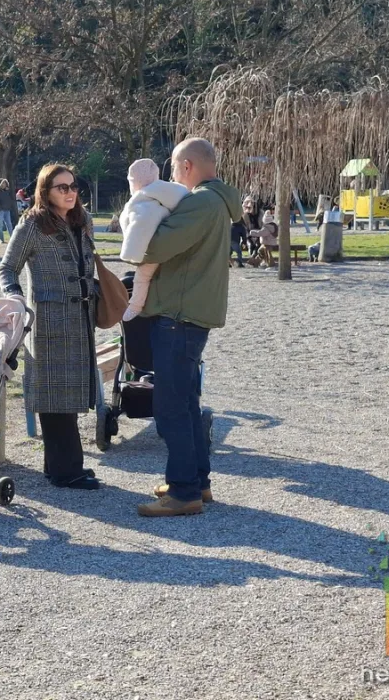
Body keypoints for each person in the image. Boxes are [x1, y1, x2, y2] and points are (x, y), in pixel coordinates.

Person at [136, 137, 241, 517]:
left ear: (187, 167)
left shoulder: (200, 203)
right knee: (187, 402)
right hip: (193, 314)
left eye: (174, 168)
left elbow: (154, 246)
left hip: (178, 317)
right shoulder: (219, 203)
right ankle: (198, 480)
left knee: (170, 407)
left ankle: (183, 492)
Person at [0, 164, 99, 490]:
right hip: (49, 321)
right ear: (45, 191)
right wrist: (16, 301)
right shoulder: (31, 225)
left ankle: (63, 466)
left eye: (72, 186)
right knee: (54, 399)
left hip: (81, 320)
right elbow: (7, 269)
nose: (70, 193)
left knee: (70, 397)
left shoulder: (83, 221)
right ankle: (65, 471)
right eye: (62, 187)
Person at [117, 158, 189, 321]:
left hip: (152, 244)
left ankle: (135, 306)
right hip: (171, 242)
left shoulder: (143, 200)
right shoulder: (171, 193)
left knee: (142, 277)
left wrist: (132, 253)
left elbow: (141, 226)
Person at [0, 179, 16, 243]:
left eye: (5, 183)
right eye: (2, 183)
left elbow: (11, 199)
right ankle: (1, 239)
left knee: (9, 225)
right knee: (0, 225)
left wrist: (10, 205)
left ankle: (12, 239)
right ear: (0, 184)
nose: (3, 185)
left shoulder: (8, 191)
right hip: (0, 211)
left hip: (7, 210)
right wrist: (0, 208)